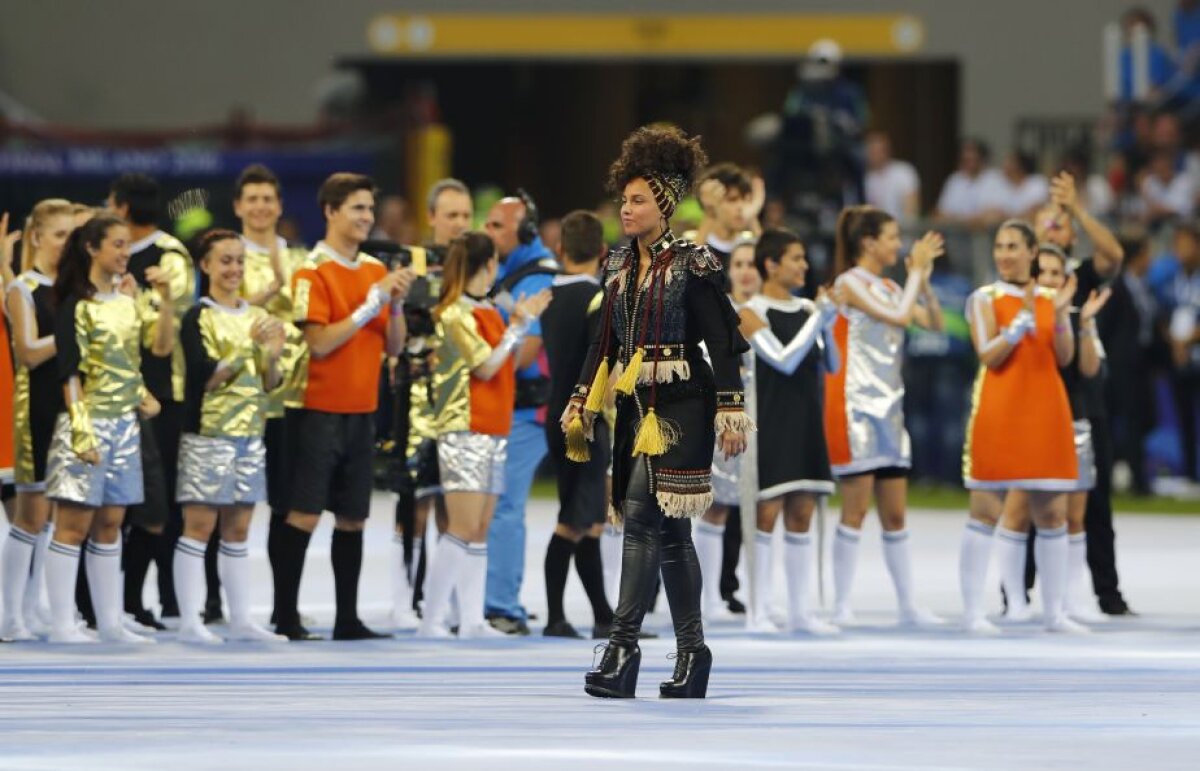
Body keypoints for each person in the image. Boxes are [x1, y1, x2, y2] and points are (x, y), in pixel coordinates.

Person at [563, 125, 752, 699]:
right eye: (624, 199)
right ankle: (693, 655)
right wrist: (582, 399)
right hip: (633, 406)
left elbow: (722, 341)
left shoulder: (694, 263)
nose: (626, 208)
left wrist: (731, 409)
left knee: (642, 515)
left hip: (683, 404)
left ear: (664, 204)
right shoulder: (618, 262)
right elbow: (604, 346)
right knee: (671, 535)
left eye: (638, 199)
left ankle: (623, 649)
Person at [273, 173, 414, 641]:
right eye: (357, 208)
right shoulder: (310, 272)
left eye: (369, 209)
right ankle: (286, 615)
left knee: (354, 515)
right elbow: (319, 343)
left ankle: (347, 618)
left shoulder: (376, 269)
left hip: (362, 406)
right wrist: (369, 304)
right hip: (318, 407)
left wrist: (392, 306)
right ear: (330, 212)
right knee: (305, 512)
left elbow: (394, 346)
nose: (366, 218)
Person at [42, 214, 173, 643]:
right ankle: (63, 622)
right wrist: (81, 431)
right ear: (92, 249)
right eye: (117, 245)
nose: (125, 253)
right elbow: (70, 373)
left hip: (124, 426)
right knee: (73, 525)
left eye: (126, 245)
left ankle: (110, 621)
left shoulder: (126, 302)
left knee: (112, 523)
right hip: (88, 421)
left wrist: (143, 395)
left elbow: (127, 362)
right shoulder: (76, 305)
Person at [416, 232, 551, 638]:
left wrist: (515, 322)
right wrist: (519, 326)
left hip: (494, 427)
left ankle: (472, 620)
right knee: (460, 527)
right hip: (465, 428)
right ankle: (431, 619)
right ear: (489, 264)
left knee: (479, 529)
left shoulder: (489, 310)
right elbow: (486, 368)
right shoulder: (455, 313)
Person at [823, 205, 945, 628]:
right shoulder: (849, 283)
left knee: (895, 513)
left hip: (890, 406)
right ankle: (840, 604)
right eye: (892, 237)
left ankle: (909, 604)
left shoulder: (894, 286)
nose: (899, 245)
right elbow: (894, 317)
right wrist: (915, 277)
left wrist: (923, 282)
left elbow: (933, 323)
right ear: (869, 242)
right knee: (855, 508)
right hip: (857, 405)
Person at [958, 221, 1081, 635]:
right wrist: (1015, 327)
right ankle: (974, 611)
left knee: (1052, 512)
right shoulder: (984, 298)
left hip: (1046, 407)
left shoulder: (1051, 297)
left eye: (1013, 246)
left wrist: (1060, 315)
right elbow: (988, 355)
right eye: (999, 246)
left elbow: (1064, 357)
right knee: (985, 509)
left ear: (1032, 253)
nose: (1004, 254)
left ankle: (1055, 612)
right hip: (1000, 408)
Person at [175, 230, 288, 643]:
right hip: (209, 433)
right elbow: (205, 377)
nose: (234, 269)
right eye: (225, 261)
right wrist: (249, 347)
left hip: (249, 434)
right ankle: (191, 620)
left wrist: (272, 355)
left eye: (239, 261)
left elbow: (270, 382)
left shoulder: (254, 318)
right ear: (205, 265)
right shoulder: (198, 316)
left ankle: (242, 618)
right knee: (200, 526)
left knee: (239, 529)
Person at [994, 245, 1111, 625]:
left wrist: (1086, 323)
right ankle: (1015, 600)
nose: (1048, 280)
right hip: (1028, 420)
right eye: (1042, 272)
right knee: (1017, 511)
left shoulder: (1074, 317)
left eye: (1055, 274)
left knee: (1071, 515)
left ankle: (1069, 600)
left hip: (1071, 421)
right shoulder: (1020, 316)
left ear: (1068, 281)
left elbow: (1089, 370)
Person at [1035, 172, 1133, 616]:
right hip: (1034, 406)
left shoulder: (1083, 275)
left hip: (1084, 404)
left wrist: (1075, 209)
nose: (1053, 227)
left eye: (1061, 224)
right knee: (1026, 503)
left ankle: (1104, 596)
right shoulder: (1024, 284)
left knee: (1094, 507)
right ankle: (1015, 596)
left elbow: (1114, 253)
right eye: (1046, 221)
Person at [737, 228, 840, 636]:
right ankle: (758, 609)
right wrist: (819, 319)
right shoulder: (749, 311)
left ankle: (801, 611)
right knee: (767, 511)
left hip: (806, 416)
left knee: (802, 511)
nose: (805, 266)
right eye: (796, 258)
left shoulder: (806, 309)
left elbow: (830, 363)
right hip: (771, 419)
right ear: (772, 264)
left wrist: (824, 325)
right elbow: (782, 359)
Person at [107, 173, 195, 629]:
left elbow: (167, 331)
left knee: (157, 500)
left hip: (161, 392)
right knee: (117, 501)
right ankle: (112, 602)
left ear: (122, 207)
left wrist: (155, 299)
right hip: (113, 390)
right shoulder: (103, 253)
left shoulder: (169, 256)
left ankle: (160, 597)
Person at [232, 163, 312, 629]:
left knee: (286, 506)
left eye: (268, 199)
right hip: (239, 399)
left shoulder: (300, 258)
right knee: (226, 506)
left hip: (293, 397)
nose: (261, 207)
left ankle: (285, 609)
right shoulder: (227, 255)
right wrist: (267, 294)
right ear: (239, 207)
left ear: (280, 206)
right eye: (252, 199)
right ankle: (214, 604)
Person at [391, 178, 472, 629]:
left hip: (460, 399)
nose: (459, 223)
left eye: (465, 215)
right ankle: (403, 599)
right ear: (433, 218)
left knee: (454, 504)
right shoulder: (413, 263)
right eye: (452, 215)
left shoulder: (478, 265)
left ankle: (450, 603)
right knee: (414, 502)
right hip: (418, 397)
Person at [483, 192, 559, 635]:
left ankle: (502, 606)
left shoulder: (539, 277)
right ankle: (491, 599)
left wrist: (477, 365)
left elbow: (526, 354)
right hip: (503, 406)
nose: (489, 234)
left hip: (527, 409)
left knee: (504, 505)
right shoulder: (509, 271)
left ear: (525, 232)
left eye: (498, 226)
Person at [540, 210, 614, 639]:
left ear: (560, 249)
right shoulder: (599, 298)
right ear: (603, 252)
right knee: (574, 519)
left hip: (557, 411)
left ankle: (603, 615)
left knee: (590, 518)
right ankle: (555, 617)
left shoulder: (548, 296)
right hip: (585, 419)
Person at [0, 201, 72, 640]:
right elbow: (26, 351)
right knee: (29, 515)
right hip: (32, 408)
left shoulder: (69, 289)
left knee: (50, 516)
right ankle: (10, 615)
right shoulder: (23, 288)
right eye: (60, 235)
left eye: (71, 235)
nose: (67, 243)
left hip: (64, 406)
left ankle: (32, 606)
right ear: (38, 237)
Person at [695, 237, 759, 622]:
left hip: (763, 419)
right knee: (716, 508)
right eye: (739, 265)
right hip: (728, 417)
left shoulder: (770, 311)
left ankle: (756, 595)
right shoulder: (721, 311)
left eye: (753, 264)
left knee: (757, 510)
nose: (747, 271)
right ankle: (708, 599)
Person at [932, 139, 1007, 230]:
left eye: (972, 159)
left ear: (982, 159)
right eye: (965, 160)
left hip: (988, 237)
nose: (969, 163)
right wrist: (965, 221)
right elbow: (939, 214)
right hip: (957, 237)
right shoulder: (954, 180)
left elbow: (999, 213)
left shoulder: (996, 179)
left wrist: (971, 220)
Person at [864, 132, 920, 226]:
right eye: (872, 151)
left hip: (902, 234)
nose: (875, 155)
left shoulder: (903, 171)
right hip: (877, 236)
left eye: (879, 150)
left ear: (887, 151)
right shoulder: (865, 178)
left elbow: (911, 211)